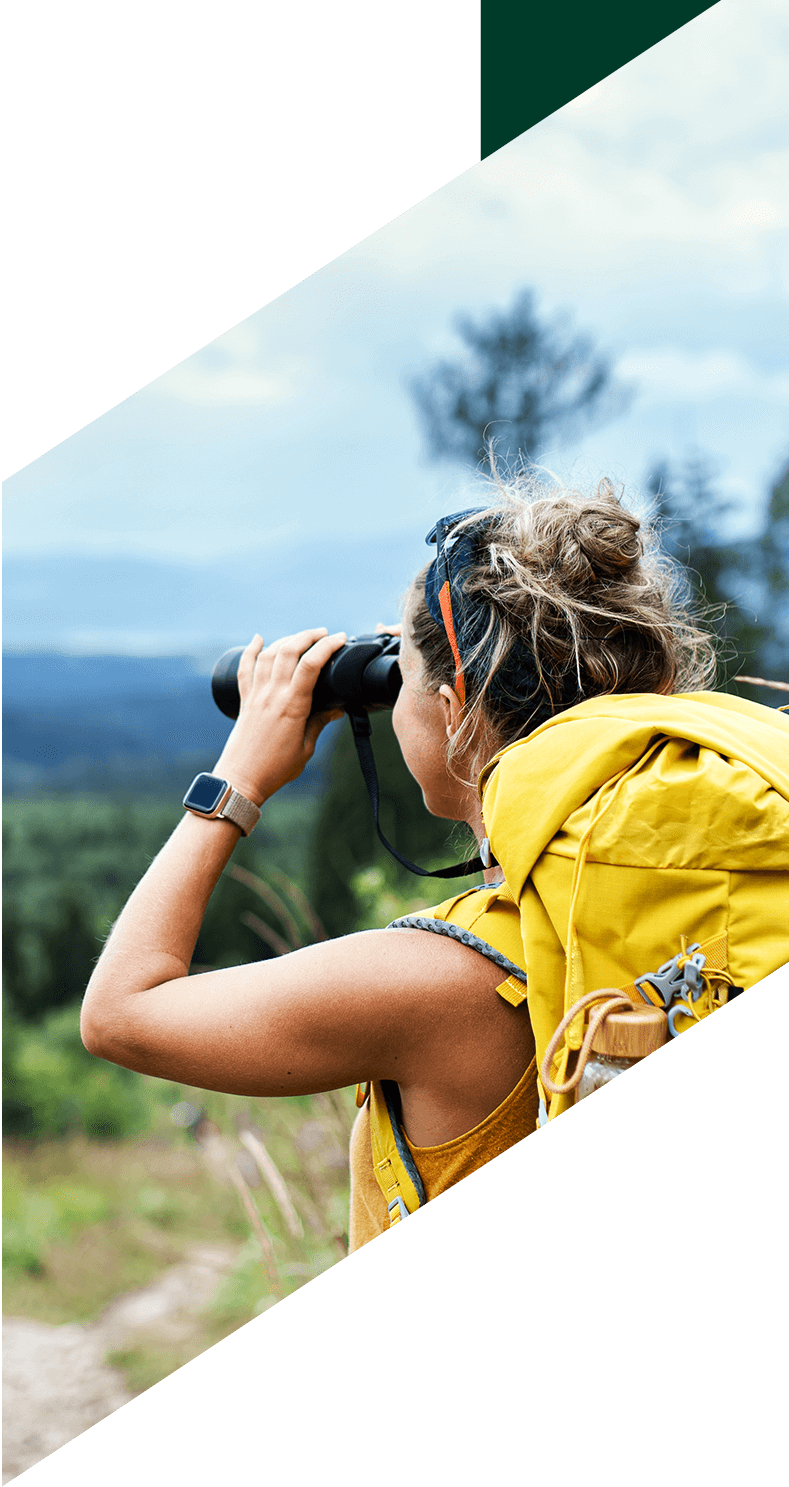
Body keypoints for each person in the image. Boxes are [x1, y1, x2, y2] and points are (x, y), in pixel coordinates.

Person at [80, 467, 789, 1248]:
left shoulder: (442, 980)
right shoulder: (736, 874)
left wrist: (238, 776)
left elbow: (121, 1014)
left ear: (453, 714)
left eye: (403, 680)